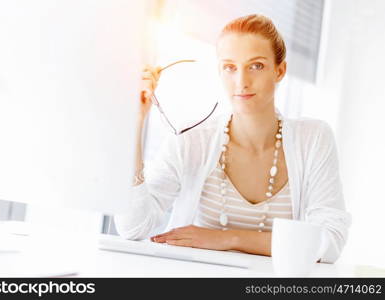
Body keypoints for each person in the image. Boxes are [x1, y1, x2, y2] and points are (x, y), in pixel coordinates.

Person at [114, 14, 351, 263]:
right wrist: (136, 123)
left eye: (256, 66)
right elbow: (133, 228)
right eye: (230, 67)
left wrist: (226, 239)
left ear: (280, 70)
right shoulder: (192, 140)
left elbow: (330, 242)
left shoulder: (313, 140)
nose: (242, 82)